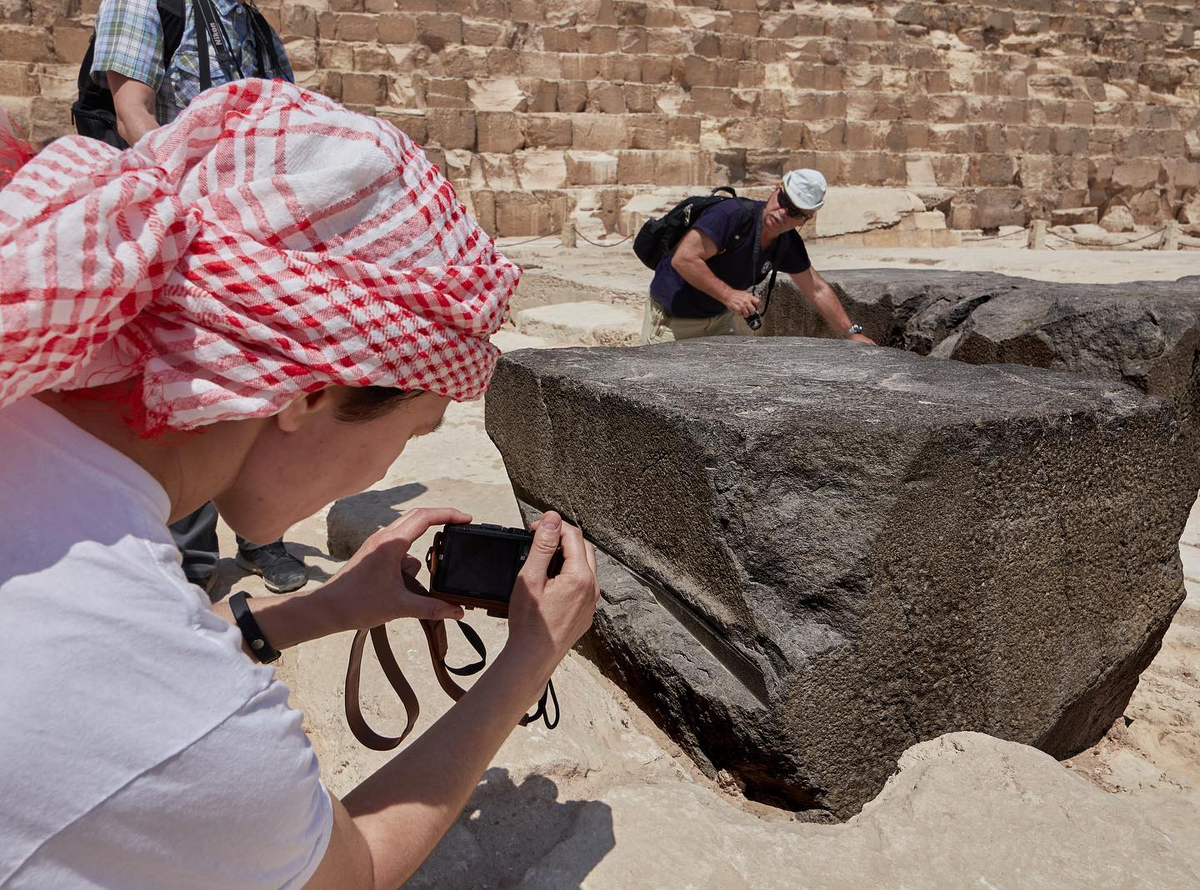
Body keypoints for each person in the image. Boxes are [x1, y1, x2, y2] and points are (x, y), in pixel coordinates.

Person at [0, 80, 600, 888]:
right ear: (307, 393)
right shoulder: (177, 700)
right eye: (413, 431)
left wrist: (325, 608)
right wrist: (529, 658)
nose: (385, 472)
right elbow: (350, 871)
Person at [89, 0, 304, 590]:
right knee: (187, 387)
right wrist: (196, 196)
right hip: (179, 228)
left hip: (249, 230)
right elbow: (131, 111)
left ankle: (261, 536)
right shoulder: (146, 3)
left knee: (259, 379)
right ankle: (191, 563)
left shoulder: (251, 23)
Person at [642, 169, 877, 346]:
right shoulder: (731, 215)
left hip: (720, 321)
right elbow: (684, 259)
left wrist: (851, 333)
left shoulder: (786, 241)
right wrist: (729, 295)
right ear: (776, 189)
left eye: (795, 212)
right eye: (783, 200)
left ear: (806, 219)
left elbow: (816, 289)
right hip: (673, 322)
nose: (783, 213)